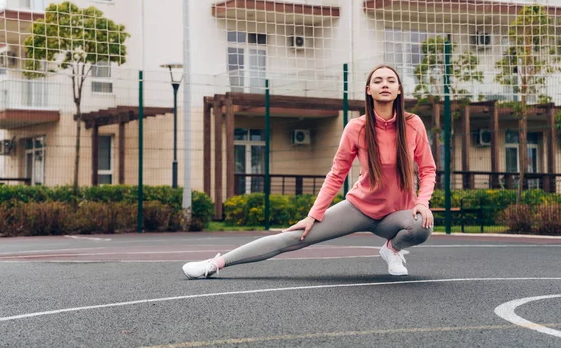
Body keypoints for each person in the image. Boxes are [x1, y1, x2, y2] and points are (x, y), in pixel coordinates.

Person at [182, 64, 436, 279]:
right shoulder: (356, 128)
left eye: (391, 80)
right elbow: (336, 174)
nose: (385, 84)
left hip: (396, 214)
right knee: (293, 237)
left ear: (399, 89)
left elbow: (427, 169)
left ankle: (392, 249)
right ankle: (214, 265)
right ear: (368, 91)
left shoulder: (413, 124)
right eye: (378, 81)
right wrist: (313, 215)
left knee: (421, 225)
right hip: (359, 208)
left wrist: (422, 202)